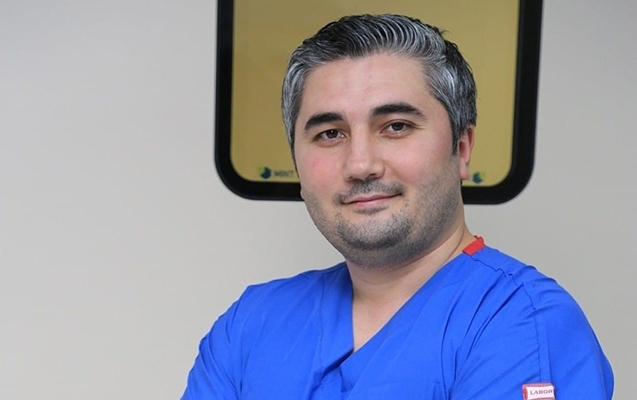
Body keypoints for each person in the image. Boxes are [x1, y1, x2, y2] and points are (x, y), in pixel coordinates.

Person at [182, 14, 613, 399]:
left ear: (462, 148)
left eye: (396, 126)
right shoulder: (252, 325)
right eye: (330, 134)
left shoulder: (520, 322)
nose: (360, 165)